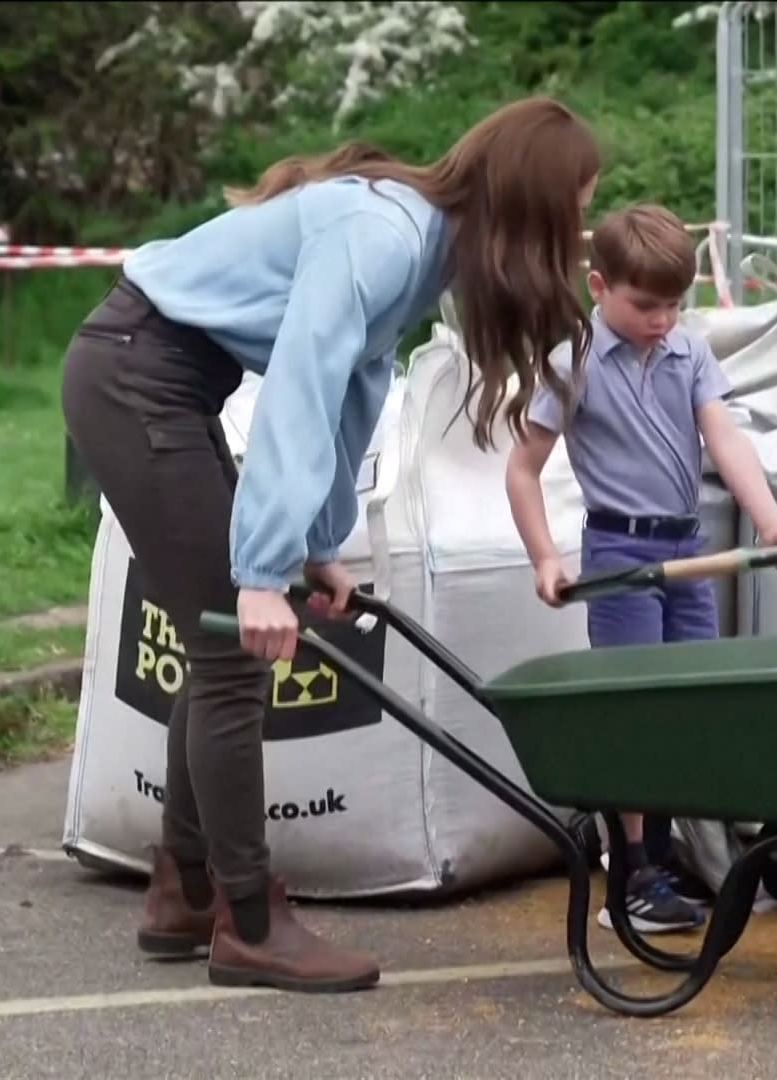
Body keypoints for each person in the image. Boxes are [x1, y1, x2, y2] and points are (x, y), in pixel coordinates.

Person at [59, 96, 603, 992]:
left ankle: (187, 892)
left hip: (157, 378)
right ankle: (248, 921)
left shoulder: (417, 247)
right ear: (529, 207)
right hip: (135, 376)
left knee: (222, 646)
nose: (578, 231)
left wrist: (315, 545)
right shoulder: (384, 235)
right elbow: (299, 389)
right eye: (574, 210)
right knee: (233, 649)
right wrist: (262, 573)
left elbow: (351, 400)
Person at [505, 203, 777, 933]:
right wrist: (545, 558)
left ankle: (666, 860)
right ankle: (632, 873)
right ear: (599, 285)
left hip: (690, 550)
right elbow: (522, 469)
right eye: (646, 305)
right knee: (633, 711)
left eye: (675, 303)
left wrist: (770, 522)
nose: (662, 319)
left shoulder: (689, 351)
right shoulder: (569, 361)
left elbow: (725, 439)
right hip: (621, 555)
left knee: (687, 707)